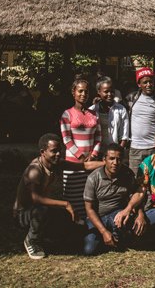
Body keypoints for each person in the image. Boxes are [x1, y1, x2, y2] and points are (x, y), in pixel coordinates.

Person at [13, 133, 78, 260]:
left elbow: (83, 166)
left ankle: (47, 238)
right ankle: (32, 240)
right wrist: (66, 204)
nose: (58, 154)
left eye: (60, 150)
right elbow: (35, 198)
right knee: (42, 211)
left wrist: (105, 164)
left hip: (39, 209)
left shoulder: (56, 163)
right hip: (23, 215)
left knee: (67, 219)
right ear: (43, 152)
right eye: (54, 151)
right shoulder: (35, 169)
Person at [83, 144, 146, 255]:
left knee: (134, 232)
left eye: (119, 159)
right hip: (97, 217)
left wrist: (140, 214)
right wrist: (103, 231)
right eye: (111, 159)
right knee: (89, 250)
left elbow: (136, 194)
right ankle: (109, 238)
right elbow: (89, 209)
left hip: (117, 215)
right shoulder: (93, 178)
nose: (115, 163)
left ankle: (117, 236)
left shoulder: (127, 173)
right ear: (104, 159)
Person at [60, 78, 103, 221]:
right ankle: (72, 226)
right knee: (73, 195)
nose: (83, 94)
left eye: (86, 91)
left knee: (89, 195)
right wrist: (81, 156)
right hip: (73, 163)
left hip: (91, 163)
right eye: (80, 91)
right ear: (74, 93)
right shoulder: (67, 114)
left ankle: (88, 226)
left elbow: (98, 137)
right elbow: (66, 139)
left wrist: (94, 154)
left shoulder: (94, 115)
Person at [123, 67, 155, 175]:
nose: (149, 85)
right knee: (135, 180)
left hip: (153, 149)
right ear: (139, 84)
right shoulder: (131, 98)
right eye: (145, 82)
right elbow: (119, 113)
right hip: (135, 148)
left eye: (151, 82)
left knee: (154, 181)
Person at [89, 76, 129, 149]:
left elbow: (124, 136)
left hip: (114, 152)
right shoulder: (92, 110)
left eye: (112, 91)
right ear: (99, 91)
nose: (110, 94)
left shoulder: (121, 110)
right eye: (106, 92)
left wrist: (118, 151)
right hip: (96, 152)